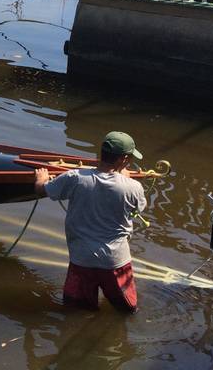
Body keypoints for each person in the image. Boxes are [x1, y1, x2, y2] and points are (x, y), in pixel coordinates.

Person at [34, 131, 148, 313]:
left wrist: (41, 179)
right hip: (116, 262)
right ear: (123, 159)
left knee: (78, 312)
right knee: (127, 311)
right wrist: (125, 178)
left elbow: (42, 191)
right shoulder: (133, 187)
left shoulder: (74, 178)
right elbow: (138, 209)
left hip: (81, 259)